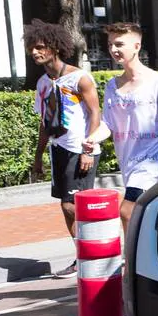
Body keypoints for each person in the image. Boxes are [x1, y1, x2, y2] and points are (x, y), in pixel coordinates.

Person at [82, 23, 158, 231]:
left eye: (119, 44)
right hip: (128, 162)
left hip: (154, 162)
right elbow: (107, 124)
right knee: (150, 218)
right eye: (110, 44)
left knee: (127, 211)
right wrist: (93, 138)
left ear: (137, 46)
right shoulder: (112, 86)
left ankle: (130, 262)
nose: (113, 49)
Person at [26, 19, 102, 277]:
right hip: (58, 149)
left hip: (80, 148)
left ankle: (95, 251)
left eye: (40, 47)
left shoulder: (79, 78)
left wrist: (88, 149)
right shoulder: (43, 84)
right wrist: (38, 157)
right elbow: (44, 123)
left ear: (55, 47)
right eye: (32, 48)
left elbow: (95, 114)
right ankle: (83, 256)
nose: (35, 52)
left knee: (73, 205)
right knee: (65, 205)